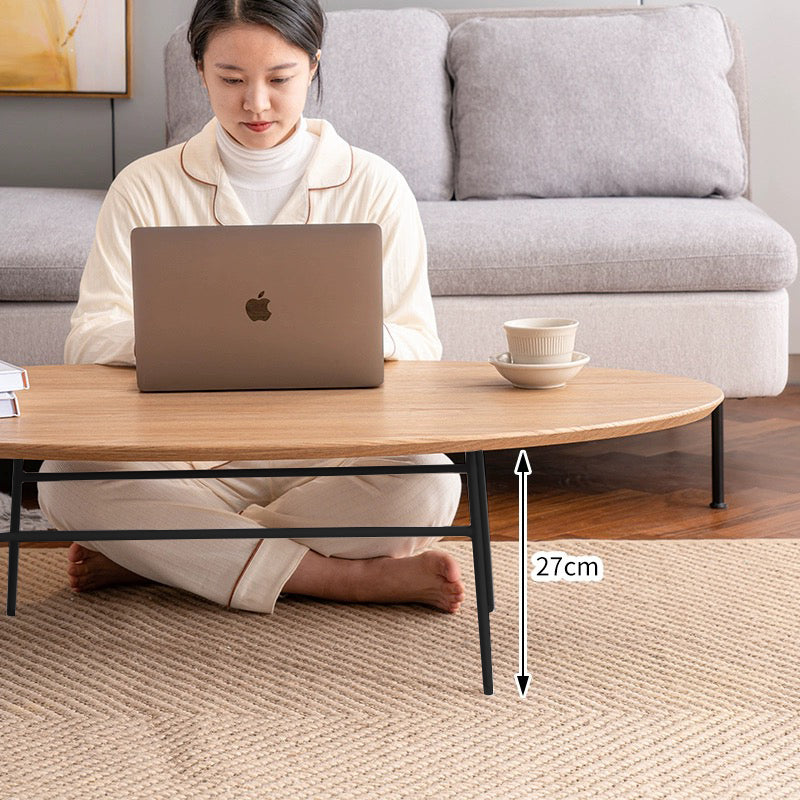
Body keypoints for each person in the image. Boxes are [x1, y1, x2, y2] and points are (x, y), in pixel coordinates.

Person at [37, 0, 466, 615]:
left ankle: (164, 555)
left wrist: (347, 337)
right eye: (231, 79)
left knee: (430, 481)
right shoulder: (144, 186)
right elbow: (88, 339)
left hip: (332, 456)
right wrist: (182, 337)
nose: (256, 104)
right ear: (199, 71)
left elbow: (421, 344)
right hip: (187, 458)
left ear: (313, 66)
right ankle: (340, 578)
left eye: (280, 79)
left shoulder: (375, 186)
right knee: (64, 479)